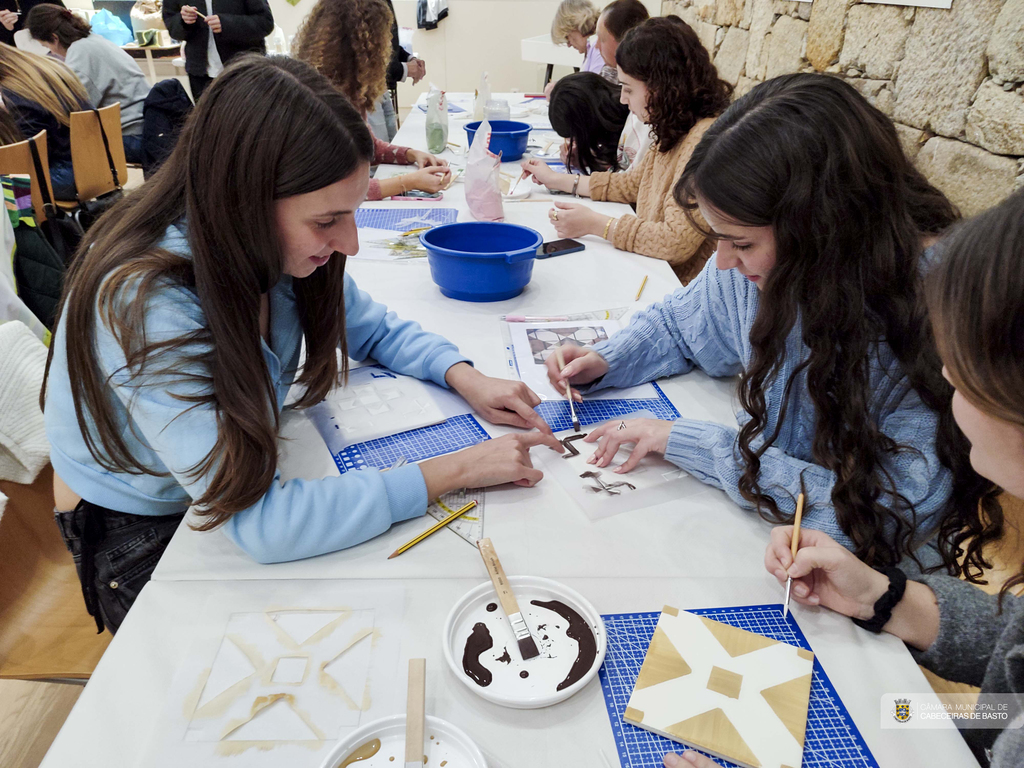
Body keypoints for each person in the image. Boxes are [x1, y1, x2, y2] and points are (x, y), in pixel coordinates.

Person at [42, 55, 561, 634]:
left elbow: (373, 327)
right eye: (327, 222)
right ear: (245, 201)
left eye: (354, 213)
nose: (351, 245)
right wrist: (456, 469)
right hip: (141, 529)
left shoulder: (266, 244)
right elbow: (263, 524)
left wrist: (467, 377)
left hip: (215, 485)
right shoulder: (147, 305)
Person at [546, 74, 989, 574]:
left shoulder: (938, 312)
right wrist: (608, 357)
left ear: (822, 228)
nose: (723, 263)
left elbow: (886, 513)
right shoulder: (761, 264)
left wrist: (692, 443)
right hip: (764, 529)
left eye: (742, 243)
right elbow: (682, 321)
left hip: (862, 577)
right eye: (719, 238)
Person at [760, 188, 1024, 768]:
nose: (945, 376)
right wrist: (881, 596)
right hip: (987, 721)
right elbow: (1008, 704)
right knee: (888, 709)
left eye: (964, 372)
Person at [521, 17, 729, 284]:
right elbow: (632, 183)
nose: (622, 98)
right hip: (657, 274)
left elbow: (674, 242)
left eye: (628, 89)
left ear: (662, 88)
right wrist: (558, 180)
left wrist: (597, 225)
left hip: (677, 286)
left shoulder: (704, 141)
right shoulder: (676, 126)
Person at [292, 0, 450, 199]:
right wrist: (409, 182)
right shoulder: (323, 102)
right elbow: (341, 191)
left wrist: (411, 154)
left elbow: (369, 146)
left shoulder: (352, 91)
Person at [27, 4, 150, 163]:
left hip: (130, 135)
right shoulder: (93, 40)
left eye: (46, 46)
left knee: (55, 152)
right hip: (144, 126)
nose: (51, 53)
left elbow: (74, 109)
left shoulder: (80, 52)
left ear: (55, 38)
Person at [0, 42, 91, 199]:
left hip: (65, 175)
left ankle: (29, 223)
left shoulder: (15, 91)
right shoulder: (47, 67)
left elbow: (31, 159)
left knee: (7, 185)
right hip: (93, 162)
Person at [162, 0, 274, 102]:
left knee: (249, 122)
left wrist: (227, 24)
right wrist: (183, 21)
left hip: (244, 71)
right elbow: (173, 27)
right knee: (208, 123)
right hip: (200, 74)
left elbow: (265, 22)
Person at [594, 0, 650, 166]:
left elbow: (632, 183)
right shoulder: (609, 71)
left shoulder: (648, 112)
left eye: (601, 39)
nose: (596, 46)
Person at [366, 0, 424, 142]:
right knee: (378, 156)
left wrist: (410, 58)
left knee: (392, 147)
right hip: (367, 95)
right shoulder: (359, 6)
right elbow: (366, 57)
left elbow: (390, 45)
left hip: (382, 91)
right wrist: (403, 69)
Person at [548, 72, 628, 175]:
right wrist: (588, 156)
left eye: (575, 136)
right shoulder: (609, 114)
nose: (574, 141)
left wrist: (594, 161)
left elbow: (625, 180)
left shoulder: (633, 121)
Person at [550, 0, 604, 75]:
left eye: (567, 37)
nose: (569, 45)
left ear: (576, 26)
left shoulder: (598, 49)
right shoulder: (591, 49)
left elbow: (593, 85)